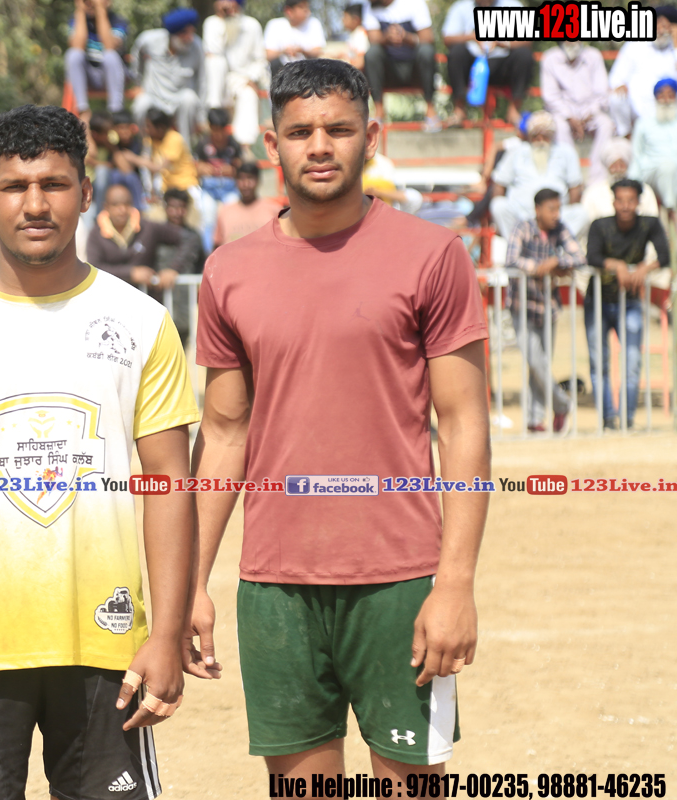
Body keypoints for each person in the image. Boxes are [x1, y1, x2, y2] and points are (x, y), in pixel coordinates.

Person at [0, 103, 198, 800]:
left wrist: (166, 633)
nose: (35, 204)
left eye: (53, 184)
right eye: (15, 186)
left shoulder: (142, 322)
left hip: (109, 647)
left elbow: (171, 481)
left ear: (85, 191)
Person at [191, 59, 490, 781]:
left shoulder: (433, 255)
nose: (320, 146)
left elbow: (463, 424)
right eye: (300, 132)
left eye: (339, 129)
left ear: (372, 137)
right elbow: (225, 432)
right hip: (275, 588)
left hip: (402, 580)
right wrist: (189, 584)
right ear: (272, 145)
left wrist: (454, 584)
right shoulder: (228, 271)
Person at [585, 179, 670, 430]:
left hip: (630, 302)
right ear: (613, 202)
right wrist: (617, 265)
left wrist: (644, 268)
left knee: (632, 361)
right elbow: (592, 256)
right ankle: (607, 419)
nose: (625, 206)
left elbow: (665, 256)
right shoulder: (600, 225)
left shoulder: (649, 224)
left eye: (630, 201)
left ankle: (627, 419)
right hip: (597, 302)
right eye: (620, 200)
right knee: (599, 362)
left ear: (638, 202)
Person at [505, 188, 581, 433]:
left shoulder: (560, 229)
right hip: (522, 305)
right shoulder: (522, 228)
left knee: (541, 364)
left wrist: (557, 261)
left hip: (548, 307)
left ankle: (535, 420)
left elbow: (579, 256)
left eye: (558, 209)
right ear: (538, 209)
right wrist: (538, 267)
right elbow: (511, 260)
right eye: (551, 209)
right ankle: (562, 404)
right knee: (535, 361)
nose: (556, 214)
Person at [490, 111, 586, 240]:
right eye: (536, 136)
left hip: (555, 215)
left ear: (552, 136)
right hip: (522, 214)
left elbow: (575, 187)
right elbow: (500, 183)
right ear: (530, 136)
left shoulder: (566, 152)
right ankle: (517, 245)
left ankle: (556, 247)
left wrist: (556, 213)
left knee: (581, 214)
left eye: (545, 136)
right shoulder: (516, 152)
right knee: (498, 205)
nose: (540, 140)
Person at [86, 183, 198, 291]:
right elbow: (94, 268)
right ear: (106, 207)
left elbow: (189, 238)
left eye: (126, 204)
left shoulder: (148, 227)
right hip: (110, 299)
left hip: (147, 299)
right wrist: (130, 273)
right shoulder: (95, 234)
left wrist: (173, 269)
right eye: (116, 205)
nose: (122, 210)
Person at [441, 0, 533, 129]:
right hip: (472, 65)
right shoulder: (461, 7)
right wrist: (473, 37)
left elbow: (528, 41)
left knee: (524, 54)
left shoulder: (513, 6)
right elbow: (447, 38)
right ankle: (459, 110)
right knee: (456, 52)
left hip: (503, 65)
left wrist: (503, 42)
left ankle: (514, 111)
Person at [363, 0, 441, 130]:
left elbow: (428, 37)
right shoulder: (370, 6)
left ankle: (431, 113)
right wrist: (386, 37)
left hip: (415, 70)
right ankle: (379, 114)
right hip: (389, 72)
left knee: (426, 51)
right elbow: (373, 39)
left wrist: (407, 38)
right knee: (372, 53)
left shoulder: (415, 3)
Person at [131, 8, 206, 145]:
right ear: (174, 34)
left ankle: (185, 149)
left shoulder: (197, 46)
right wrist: (138, 83)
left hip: (179, 99)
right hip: (154, 96)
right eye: (185, 34)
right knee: (140, 105)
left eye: (192, 33)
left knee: (189, 98)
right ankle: (145, 147)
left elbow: (202, 81)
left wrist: (202, 118)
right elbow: (136, 54)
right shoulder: (150, 40)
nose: (190, 38)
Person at [540, 42, 613, 181]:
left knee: (606, 125)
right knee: (559, 127)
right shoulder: (550, 58)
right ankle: (571, 178)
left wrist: (589, 114)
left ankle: (597, 179)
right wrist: (569, 117)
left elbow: (602, 93)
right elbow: (550, 97)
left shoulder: (594, 56)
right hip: (562, 113)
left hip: (591, 112)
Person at [204, 0, 268, 146]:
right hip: (217, 82)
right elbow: (213, 51)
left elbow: (260, 60)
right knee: (214, 62)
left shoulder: (251, 25)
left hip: (243, 79)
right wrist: (221, 19)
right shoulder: (212, 23)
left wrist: (251, 78)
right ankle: (213, 110)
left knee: (248, 95)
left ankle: (243, 147)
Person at [608, 6, 677, 136]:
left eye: (665, 26)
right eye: (657, 24)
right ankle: (626, 136)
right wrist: (620, 86)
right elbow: (616, 78)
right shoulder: (635, 45)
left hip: (667, 107)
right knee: (616, 97)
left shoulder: (673, 50)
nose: (660, 30)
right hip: (637, 108)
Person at [154, 187, 205, 345]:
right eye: (173, 207)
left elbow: (202, 266)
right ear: (165, 208)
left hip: (185, 305)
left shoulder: (194, 236)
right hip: (158, 303)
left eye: (181, 207)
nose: (177, 212)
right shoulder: (155, 234)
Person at [193, 107, 245, 252]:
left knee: (233, 215)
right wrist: (203, 169)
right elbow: (196, 168)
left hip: (229, 189)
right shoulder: (203, 143)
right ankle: (209, 252)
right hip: (209, 189)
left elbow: (241, 167)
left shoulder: (233, 144)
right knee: (208, 217)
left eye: (222, 130)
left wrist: (233, 170)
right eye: (215, 130)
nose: (219, 135)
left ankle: (232, 249)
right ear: (210, 127)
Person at [66, 0, 129, 118]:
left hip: (110, 76)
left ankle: (115, 112)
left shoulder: (118, 21)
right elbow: (76, 46)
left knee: (110, 56)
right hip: (87, 76)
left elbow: (110, 46)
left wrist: (100, 10)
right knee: (73, 55)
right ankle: (83, 110)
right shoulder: (76, 19)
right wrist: (80, 11)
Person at [581, 138, 660, 230]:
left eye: (621, 165)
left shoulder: (645, 191)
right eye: (614, 165)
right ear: (607, 166)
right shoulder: (592, 194)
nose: (618, 169)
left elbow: (652, 224)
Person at [628, 78, 677, 224]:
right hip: (651, 171)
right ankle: (671, 211)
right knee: (667, 167)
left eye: (670, 95)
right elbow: (636, 154)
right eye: (662, 95)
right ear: (656, 97)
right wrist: (632, 183)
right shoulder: (644, 123)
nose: (666, 100)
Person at [87, 111, 148, 213]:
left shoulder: (112, 139)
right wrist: (90, 139)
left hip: (109, 180)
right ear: (95, 134)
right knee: (103, 171)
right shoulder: (87, 143)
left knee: (129, 176)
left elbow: (126, 169)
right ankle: (100, 212)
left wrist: (111, 146)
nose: (108, 135)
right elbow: (89, 160)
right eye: (106, 133)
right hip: (90, 182)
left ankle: (138, 209)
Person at [213, 163, 280, 248]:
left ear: (258, 180)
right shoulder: (225, 212)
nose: (246, 184)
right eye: (241, 179)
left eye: (250, 178)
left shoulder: (274, 211)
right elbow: (217, 247)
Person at [139, 108, 200, 196]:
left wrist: (134, 159)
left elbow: (160, 168)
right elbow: (151, 169)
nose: (146, 129)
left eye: (149, 126)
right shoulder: (150, 141)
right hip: (167, 189)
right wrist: (152, 192)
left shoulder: (174, 139)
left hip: (185, 186)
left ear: (160, 128)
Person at [264, 0, 326, 77]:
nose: (306, 11)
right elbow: (268, 55)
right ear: (289, 11)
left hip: (307, 72)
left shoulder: (314, 24)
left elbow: (318, 52)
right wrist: (284, 51)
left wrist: (302, 51)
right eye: (301, 7)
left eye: (307, 7)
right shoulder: (275, 25)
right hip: (281, 72)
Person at [342, 4, 369, 70]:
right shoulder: (353, 34)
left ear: (355, 20)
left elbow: (360, 63)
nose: (342, 20)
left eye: (345, 17)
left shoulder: (361, 35)